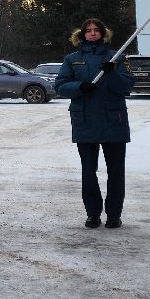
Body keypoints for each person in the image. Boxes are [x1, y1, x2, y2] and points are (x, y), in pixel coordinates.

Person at [53, 18, 134, 229]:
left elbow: (127, 86)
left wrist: (112, 72)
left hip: (113, 122)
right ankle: (93, 213)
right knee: (88, 171)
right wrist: (80, 87)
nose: (92, 33)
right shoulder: (72, 59)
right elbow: (60, 85)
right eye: (88, 30)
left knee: (116, 172)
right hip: (85, 121)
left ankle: (114, 215)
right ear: (81, 34)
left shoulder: (116, 57)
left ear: (103, 33)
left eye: (97, 30)